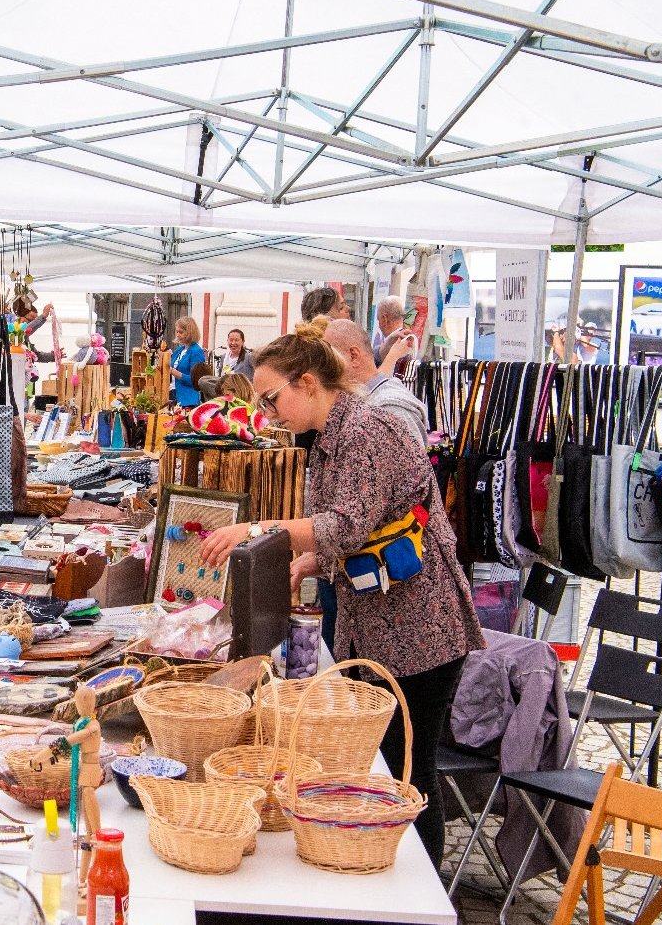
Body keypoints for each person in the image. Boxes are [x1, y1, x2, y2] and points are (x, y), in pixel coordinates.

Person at [199, 320, 483, 869]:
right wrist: (308, 558)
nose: (266, 413)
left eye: (271, 398)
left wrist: (259, 530)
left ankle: (419, 889)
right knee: (397, 760)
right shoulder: (329, 438)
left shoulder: (364, 432)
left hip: (419, 628)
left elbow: (347, 523)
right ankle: (378, 866)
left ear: (307, 383)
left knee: (409, 768)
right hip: (382, 622)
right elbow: (358, 526)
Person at [323, 319, 428, 447]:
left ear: (353, 356)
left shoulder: (391, 409)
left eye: (329, 357)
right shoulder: (363, 400)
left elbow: (414, 465)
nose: (325, 367)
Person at [169, 315, 206, 408]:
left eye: (181, 332)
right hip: (173, 394)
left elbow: (195, 380)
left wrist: (173, 372)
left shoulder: (197, 351)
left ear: (190, 332)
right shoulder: (179, 349)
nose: (177, 335)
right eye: (177, 331)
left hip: (188, 399)